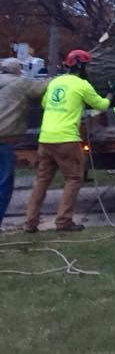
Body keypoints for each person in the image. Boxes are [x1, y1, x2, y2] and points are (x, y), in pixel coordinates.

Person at [24, 49, 115, 233]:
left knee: (42, 180)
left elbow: (45, 104)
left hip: (45, 138)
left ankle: (30, 222)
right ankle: (64, 222)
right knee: (73, 178)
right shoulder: (82, 85)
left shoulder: (55, 82)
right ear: (83, 67)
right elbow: (101, 105)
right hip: (66, 139)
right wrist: (111, 92)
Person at [0, 59, 48, 231]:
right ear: (17, 70)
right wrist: (64, 77)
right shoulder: (20, 83)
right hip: (4, 139)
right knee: (4, 182)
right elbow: (42, 88)